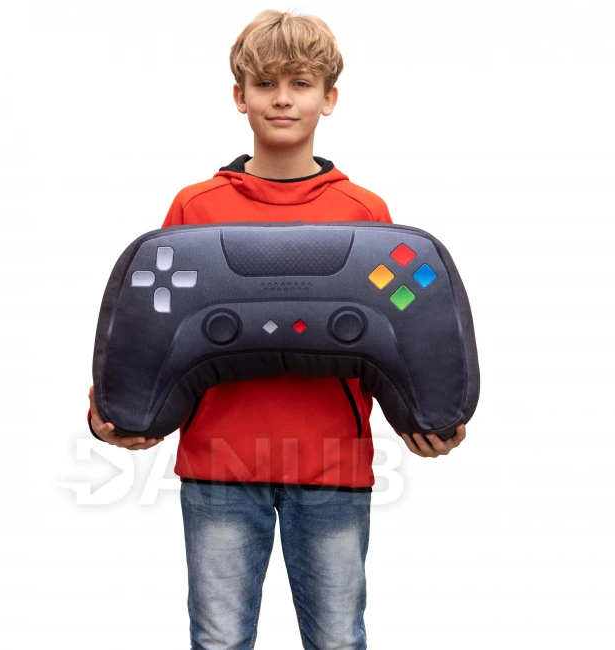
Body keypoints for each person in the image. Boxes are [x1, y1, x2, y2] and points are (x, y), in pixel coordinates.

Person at [87, 9, 466, 649]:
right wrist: (117, 413)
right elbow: (154, 324)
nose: (283, 99)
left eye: (301, 83)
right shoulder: (196, 208)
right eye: (265, 84)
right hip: (219, 461)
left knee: (338, 640)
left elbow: (399, 330)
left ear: (329, 98)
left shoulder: (365, 211)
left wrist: (430, 416)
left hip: (333, 463)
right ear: (240, 97)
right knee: (219, 640)